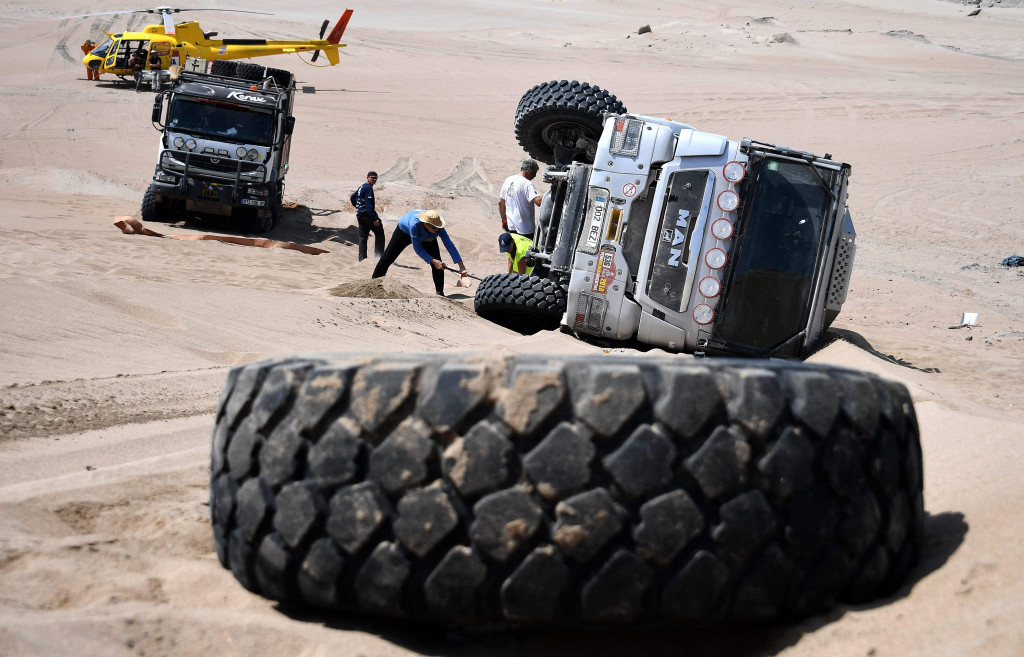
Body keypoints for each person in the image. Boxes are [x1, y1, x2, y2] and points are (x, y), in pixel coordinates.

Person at [372, 209, 468, 296]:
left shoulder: (438, 227)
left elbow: (449, 245)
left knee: (439, 263)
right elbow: (417, 248)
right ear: (426, 224)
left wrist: (461, 266)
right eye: (435, 228)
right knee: (387, 258)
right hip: (403, 232)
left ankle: (439, 293)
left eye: (438, 227)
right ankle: (373, 285)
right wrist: (433, 261)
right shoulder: (415, 225)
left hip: (427, 237)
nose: (437, 230)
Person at [498, 158, 542, 272]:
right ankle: (522, 281)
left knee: (512, 253)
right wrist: (549, 194)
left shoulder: (508, 180)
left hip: (511, 227)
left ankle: (510, 277)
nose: (534, 177)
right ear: (530, 171)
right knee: (524, 257)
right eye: (534, 174)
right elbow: (538, 202)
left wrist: (504, 220)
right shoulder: (527, 184)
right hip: (525, 229)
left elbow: (500, 202)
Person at [353, 171, 384, 261]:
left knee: (363, 237)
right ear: (367, 177)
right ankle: (379, 257)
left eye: (376, 178)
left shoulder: (361, 187)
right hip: (367, 215)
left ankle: (362, 259)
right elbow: (369, 206)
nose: (374, 180)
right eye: (372, 177)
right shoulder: (368, 188)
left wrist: (359, 207)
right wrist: (375, 218)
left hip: (360, 215)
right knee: (379, 233)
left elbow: (352, 198)